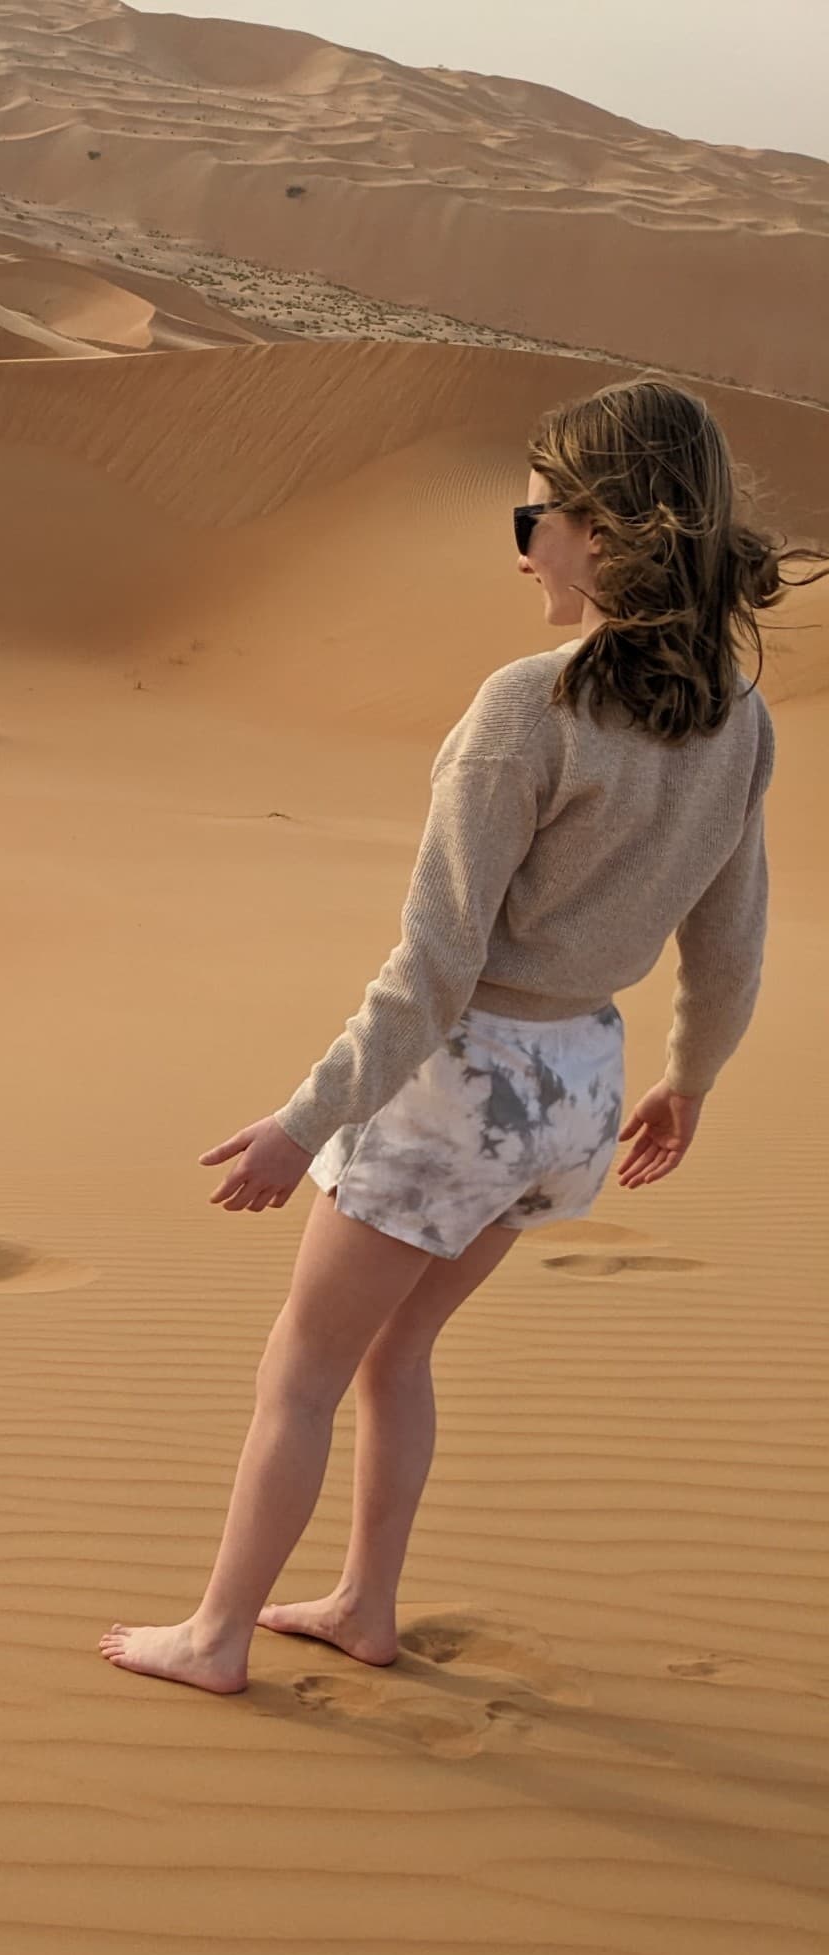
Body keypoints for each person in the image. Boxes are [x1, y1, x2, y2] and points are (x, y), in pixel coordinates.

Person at [102, 377, 821, 1696]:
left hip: (463, 1082)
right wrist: (688, 1083)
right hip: (577, 1091)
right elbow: (731, 946)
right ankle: (365, 1603)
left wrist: (299, 1120)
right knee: (399, 1350)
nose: (523, 545)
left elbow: (432, 974)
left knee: (302, 1369)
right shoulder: (738, 715)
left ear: (600, 529)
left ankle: (213, 1635)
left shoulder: (527, 707)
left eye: (532, 514)